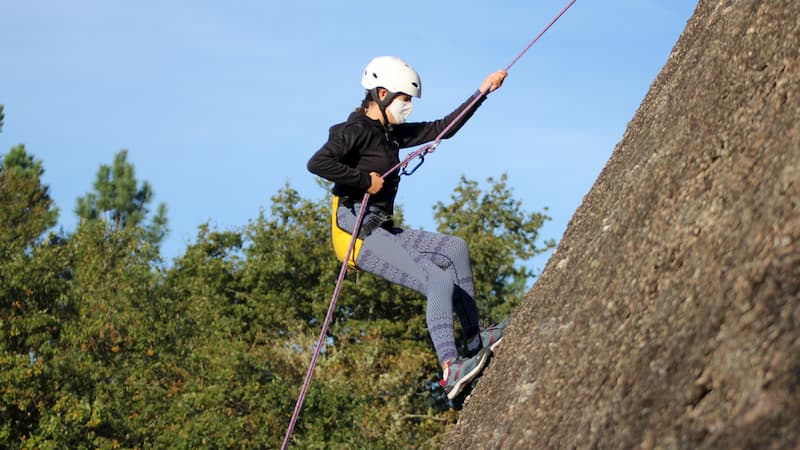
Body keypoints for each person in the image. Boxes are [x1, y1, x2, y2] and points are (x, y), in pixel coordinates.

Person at [307, 56, 509, 400]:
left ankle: (476, 336)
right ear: (382, 94)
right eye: (405, 99)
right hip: (355, 234)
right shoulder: (353, 130)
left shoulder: (388, 134)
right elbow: (318, 162)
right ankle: (451, 369)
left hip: (380, 229)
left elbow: (443, 128)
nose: (409, 106)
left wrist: (483, 92)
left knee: (454, 249)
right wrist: (362, 180)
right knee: (438, 279)